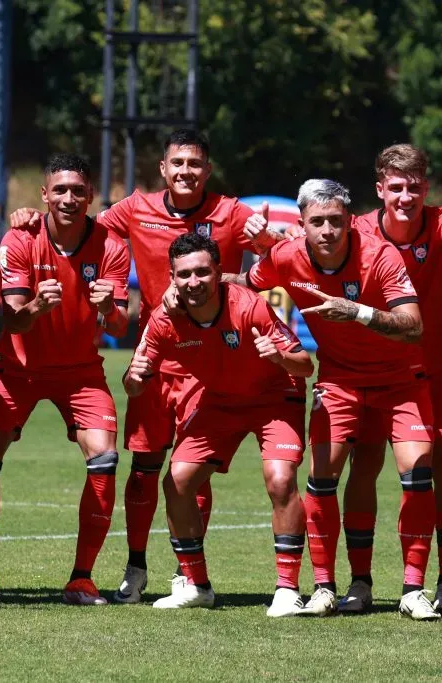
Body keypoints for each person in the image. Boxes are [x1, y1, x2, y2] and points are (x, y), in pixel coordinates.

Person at [10, 129, 283, 603]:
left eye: (194, 164)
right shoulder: (136, 208)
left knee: (192, 471)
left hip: (210, 363)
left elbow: (283, 257)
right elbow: (78, 219)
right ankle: (135, 567)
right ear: (163, 168)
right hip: (154, 358)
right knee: (143, 468)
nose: (185, 172)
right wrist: (31, 217)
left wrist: (250, 262)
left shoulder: (233, 212)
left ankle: (187, 572)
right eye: (177, 163)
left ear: (208, 169)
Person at [239, 179, 437, 620]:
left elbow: (414, 325)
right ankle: (328, 587)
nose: (327, 230)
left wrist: (357, 312)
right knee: (322, 477)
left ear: (349, 221)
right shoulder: (285, 256)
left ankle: (412, 589)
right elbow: (244, 284)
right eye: (316, 222)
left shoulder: (380, 255)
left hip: (401, 380)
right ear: (302, 225)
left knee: (417, 472)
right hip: (341, 381)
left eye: (335, 221)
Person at [0, 154, 131, 605]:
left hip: (80, 373)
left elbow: (119, 326)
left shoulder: (112, 246)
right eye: (60, 190)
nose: (69, 198)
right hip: (16, 369)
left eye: (78, 190)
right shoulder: (20, 237)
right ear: (44, 194)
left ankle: (81, 579)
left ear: (91, 195)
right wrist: (38, 306)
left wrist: (106, 308)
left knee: (105, 458)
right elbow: (14, 321)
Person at [124, 233, 313, 613]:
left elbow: (305, 365)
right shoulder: (163, 320)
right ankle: (197, 586)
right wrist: (136, 375)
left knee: (280, 478)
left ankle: (287, 589)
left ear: (218, 273)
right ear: (172, 277)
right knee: (177, 481)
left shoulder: (251, 307)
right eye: (184, 275)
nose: (193, 282)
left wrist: (278, 357)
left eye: (202, 273)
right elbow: (131, 384)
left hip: (274, 397)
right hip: (220, 401)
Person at [345, 144, 442, 615]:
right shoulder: (358, 230)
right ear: (380, 188)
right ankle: (360, 582)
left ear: (426, 188)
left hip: (437, 369)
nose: (406, 196)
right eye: (397, 187)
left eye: (415, 187)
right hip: (376, 373)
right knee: (363, 466)